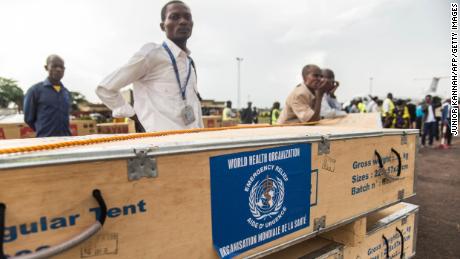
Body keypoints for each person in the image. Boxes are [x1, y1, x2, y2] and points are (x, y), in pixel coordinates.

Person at [96, 1, 203, 132]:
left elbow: (194, 106)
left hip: (192, 141)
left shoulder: (189, 63)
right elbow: (105, 88)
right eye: (174, 17)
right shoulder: (151, 54)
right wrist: (134, 116)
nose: (183, 21)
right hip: (161, 145)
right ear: (163, 26)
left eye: (188, 17)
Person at [23, 55, 72, 137]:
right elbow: (29, 119)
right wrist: (43, 130)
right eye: (54, 66)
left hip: (66, 141)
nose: (59, 69)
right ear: (46, 67)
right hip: (45, 142)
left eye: (61, 67)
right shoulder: (34, 91)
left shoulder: (66, 92)